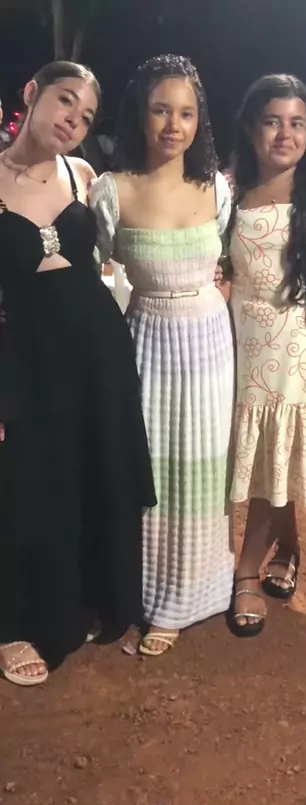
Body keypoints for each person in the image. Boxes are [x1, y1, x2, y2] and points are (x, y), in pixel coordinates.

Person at [0, 61, 156, 685]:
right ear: (31, 93)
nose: (74, 120)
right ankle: (17, 624)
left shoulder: (83, 175)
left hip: (97, 349)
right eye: (66, 101)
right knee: (28, 485)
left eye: (87, 116)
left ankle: (95, 596)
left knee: (91, 472)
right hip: (26, 356)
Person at [90, 55, 235, 656]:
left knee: (201, 467)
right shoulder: (111, 190)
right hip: (145, 337)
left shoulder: (216, 188)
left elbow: (229, 264)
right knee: (146, 466)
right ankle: (139, 591)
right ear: (139, 115)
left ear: (200, 120)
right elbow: (90, 273)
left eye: (186, 113)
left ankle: (192, 592)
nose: (174, 125)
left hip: (208, 342)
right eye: (160, 110)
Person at [224, 74, 306, 636]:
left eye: (297, 123)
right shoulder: (227, 195)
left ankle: (247, 568)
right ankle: (290, 546)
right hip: (243, 339)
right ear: (251, 128)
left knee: (276, 445)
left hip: (299, 343)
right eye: (272, 121)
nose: (284, 134)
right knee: (272, 452)